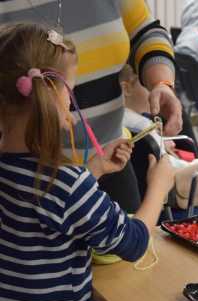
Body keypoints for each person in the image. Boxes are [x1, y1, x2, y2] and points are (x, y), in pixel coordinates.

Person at [0, 23, 175, 301]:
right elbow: (134, 242)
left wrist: (92, 170)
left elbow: (46, 212)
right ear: (52, 93)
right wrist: (159, 187)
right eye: (72, 91)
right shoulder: (65, 184)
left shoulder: (37, 176)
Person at [0, 0, 182, 210]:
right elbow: (136, 239)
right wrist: (158, 190)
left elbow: (146, 31)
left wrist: (162, 82)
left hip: (106, 163)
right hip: (31, 182)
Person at [119, 64, 198, 218]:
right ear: (126, 88)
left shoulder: (124, 124)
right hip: (171, 203)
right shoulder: (142, 128)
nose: (156, 93)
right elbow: (169, 169)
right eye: (149, 86)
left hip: (165, 197)